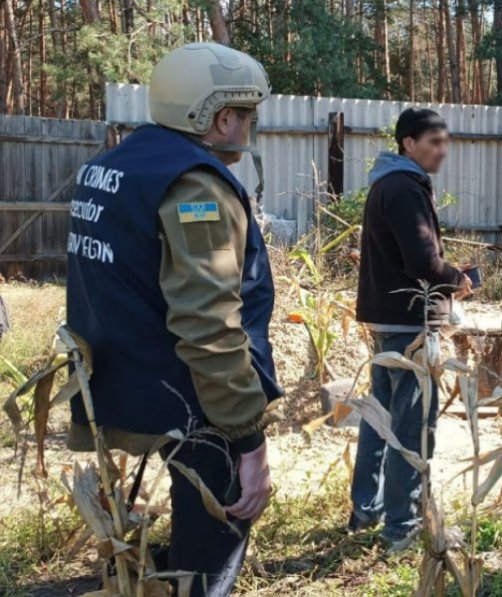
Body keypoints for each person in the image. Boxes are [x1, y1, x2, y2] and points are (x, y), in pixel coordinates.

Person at [66, 43, 282, 596]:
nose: (249, 127)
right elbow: (208, 323)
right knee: (212, 545)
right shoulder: (195, 184)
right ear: (219, 116)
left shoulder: (116, 164)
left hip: (127, 378)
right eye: (247, 115)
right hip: (196, 400)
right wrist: (248, 438)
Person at [350, 107, 473, 544]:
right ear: (408, 143)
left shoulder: (390, 182)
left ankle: (366, 511)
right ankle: (403, 527)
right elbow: (422, 262)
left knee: (380, 418)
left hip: (389, 319)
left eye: (445, 142)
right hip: (410, 325)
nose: (442, 151)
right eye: (433, 142)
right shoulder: (404, 188)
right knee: (412, 425)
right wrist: (459, 279)